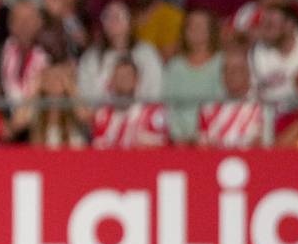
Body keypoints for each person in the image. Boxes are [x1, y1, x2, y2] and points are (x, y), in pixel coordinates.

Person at [163, 9, 223, 143]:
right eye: (191, 26)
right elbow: (168, 105)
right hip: (178, 141)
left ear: (211, 30)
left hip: (213, 139)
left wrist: (205, 136)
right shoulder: (175, 66)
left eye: (201, 25)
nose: (196, 29)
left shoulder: (221, 63)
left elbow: (221, 103)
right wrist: (178, 136)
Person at [90, 57, 169, 149]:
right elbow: (98, 149)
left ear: (137, 80)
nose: (123, 80)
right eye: (119, 76)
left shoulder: (152, 113)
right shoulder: (102, 116)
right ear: (112, 81)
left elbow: (161, 148)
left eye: (128, 76)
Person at [197, 52, 265, 148]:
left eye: (236, 69)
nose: (230, 74)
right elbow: (202, 146)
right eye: (226, 69)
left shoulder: (263, 107)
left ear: (249, 73)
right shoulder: (208, 108)